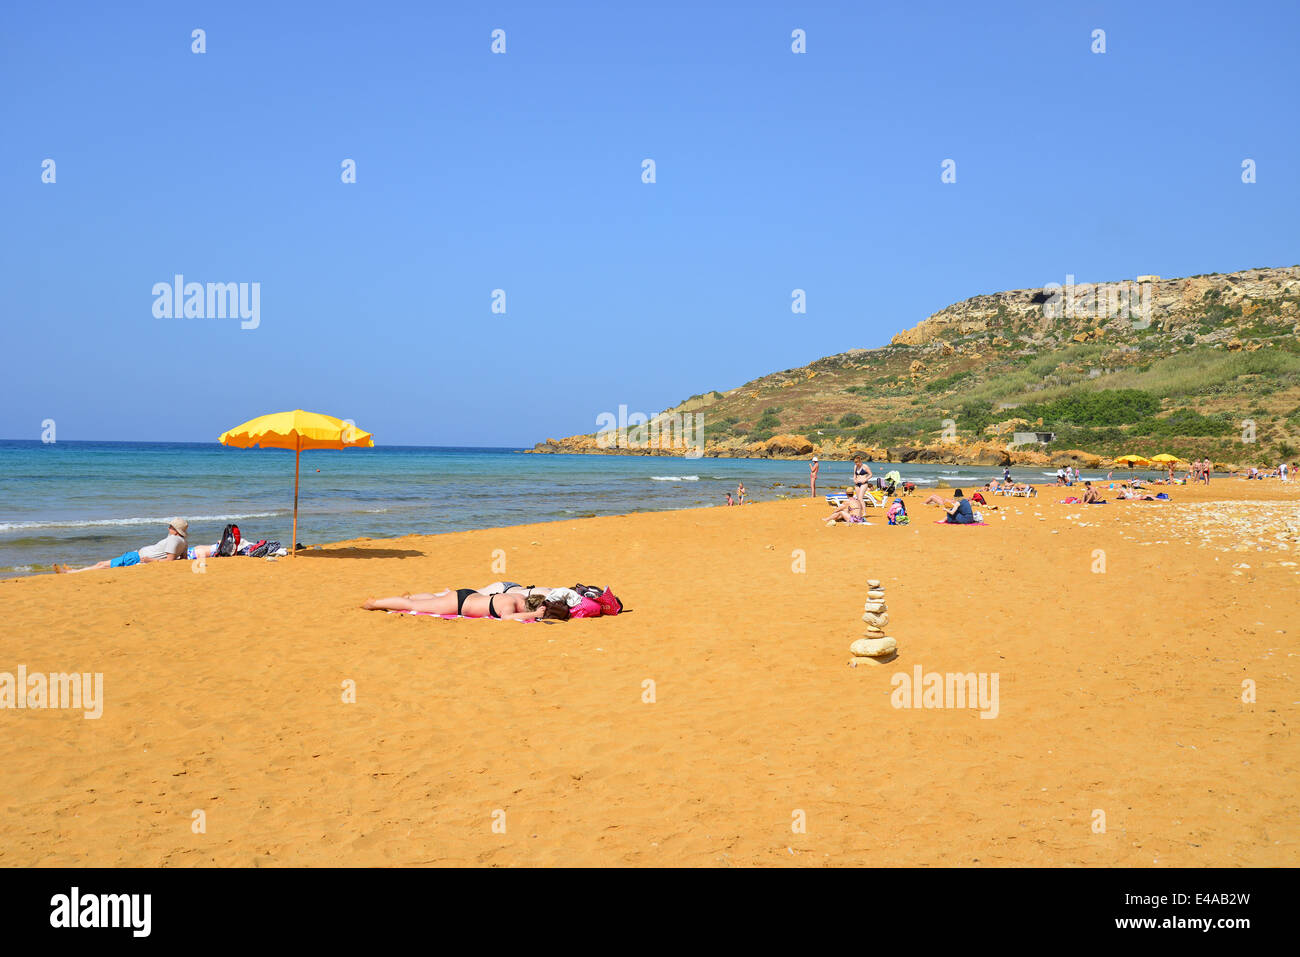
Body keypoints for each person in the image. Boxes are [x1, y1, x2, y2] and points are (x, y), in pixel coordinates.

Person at [55, 519, 188, 573]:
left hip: (136, 557)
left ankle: (71, 573)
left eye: (171, 526)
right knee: (103, 565)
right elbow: (183, 560)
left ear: (176, 530)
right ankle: (74, 571)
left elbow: (170, 561)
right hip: (137, 556)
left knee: (102, 564)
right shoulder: (183, 542)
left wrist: (150, 560)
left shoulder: (173, 539)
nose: (168, 527)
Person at [362, 589, 569, 620]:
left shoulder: (517, 596)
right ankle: (374, 604)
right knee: (414, 605)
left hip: (469, 596)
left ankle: (415, 595)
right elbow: (506, 618)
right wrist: (532, 616)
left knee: (431, 601)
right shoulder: (509, 604)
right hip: (459, 603)